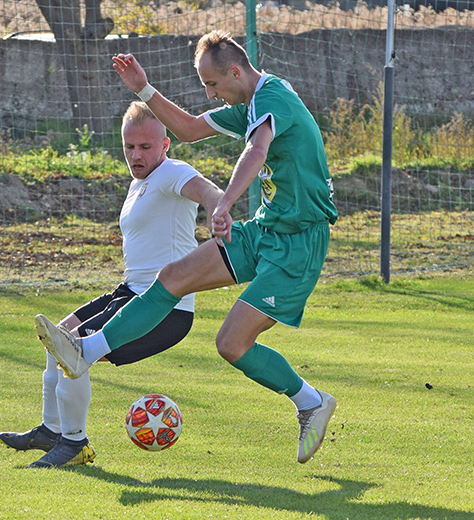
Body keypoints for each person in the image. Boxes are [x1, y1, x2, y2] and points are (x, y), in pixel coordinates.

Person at [35, 30, 339, 464]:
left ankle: (310, 401)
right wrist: (142, 88)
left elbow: (257, 150)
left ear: (235, 71)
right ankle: (87, 351)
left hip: (299, 243)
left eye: (212, 85)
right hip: (267, 229)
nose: (210, 94)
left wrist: (226, 203)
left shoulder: (274, 99)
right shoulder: (248, 104)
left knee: (231, 345)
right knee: (172, 276)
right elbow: (189, 128)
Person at [0, 101, 223, 468]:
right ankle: (51, 430)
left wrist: (220, 208)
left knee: (75, 349)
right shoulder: (140, 183)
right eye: (129, 147)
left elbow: (207, 191)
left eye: (146, 147)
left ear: (166, 144)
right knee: (58, 335)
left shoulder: (172, 172)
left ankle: (74, 444)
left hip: (164, 308)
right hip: (129, 292)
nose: (136, 155)